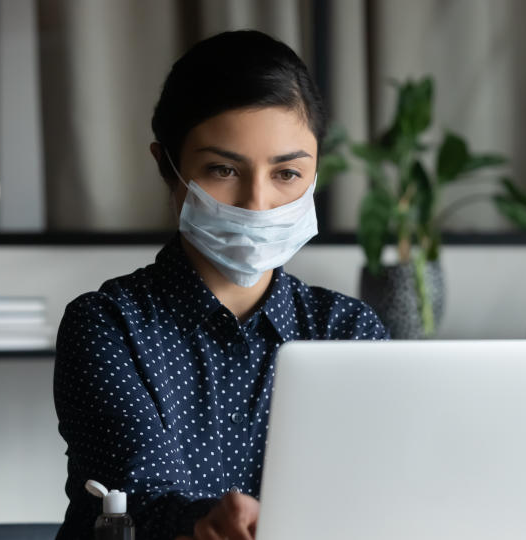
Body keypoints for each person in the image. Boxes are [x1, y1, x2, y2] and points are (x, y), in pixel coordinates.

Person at [53, 30, 389, 540]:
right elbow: (135, 501)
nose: (256, 202)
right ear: (167, 166)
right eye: (223, 169)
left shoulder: (348, 331)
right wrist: (204, 525)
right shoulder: (108, 325)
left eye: (287, 174)